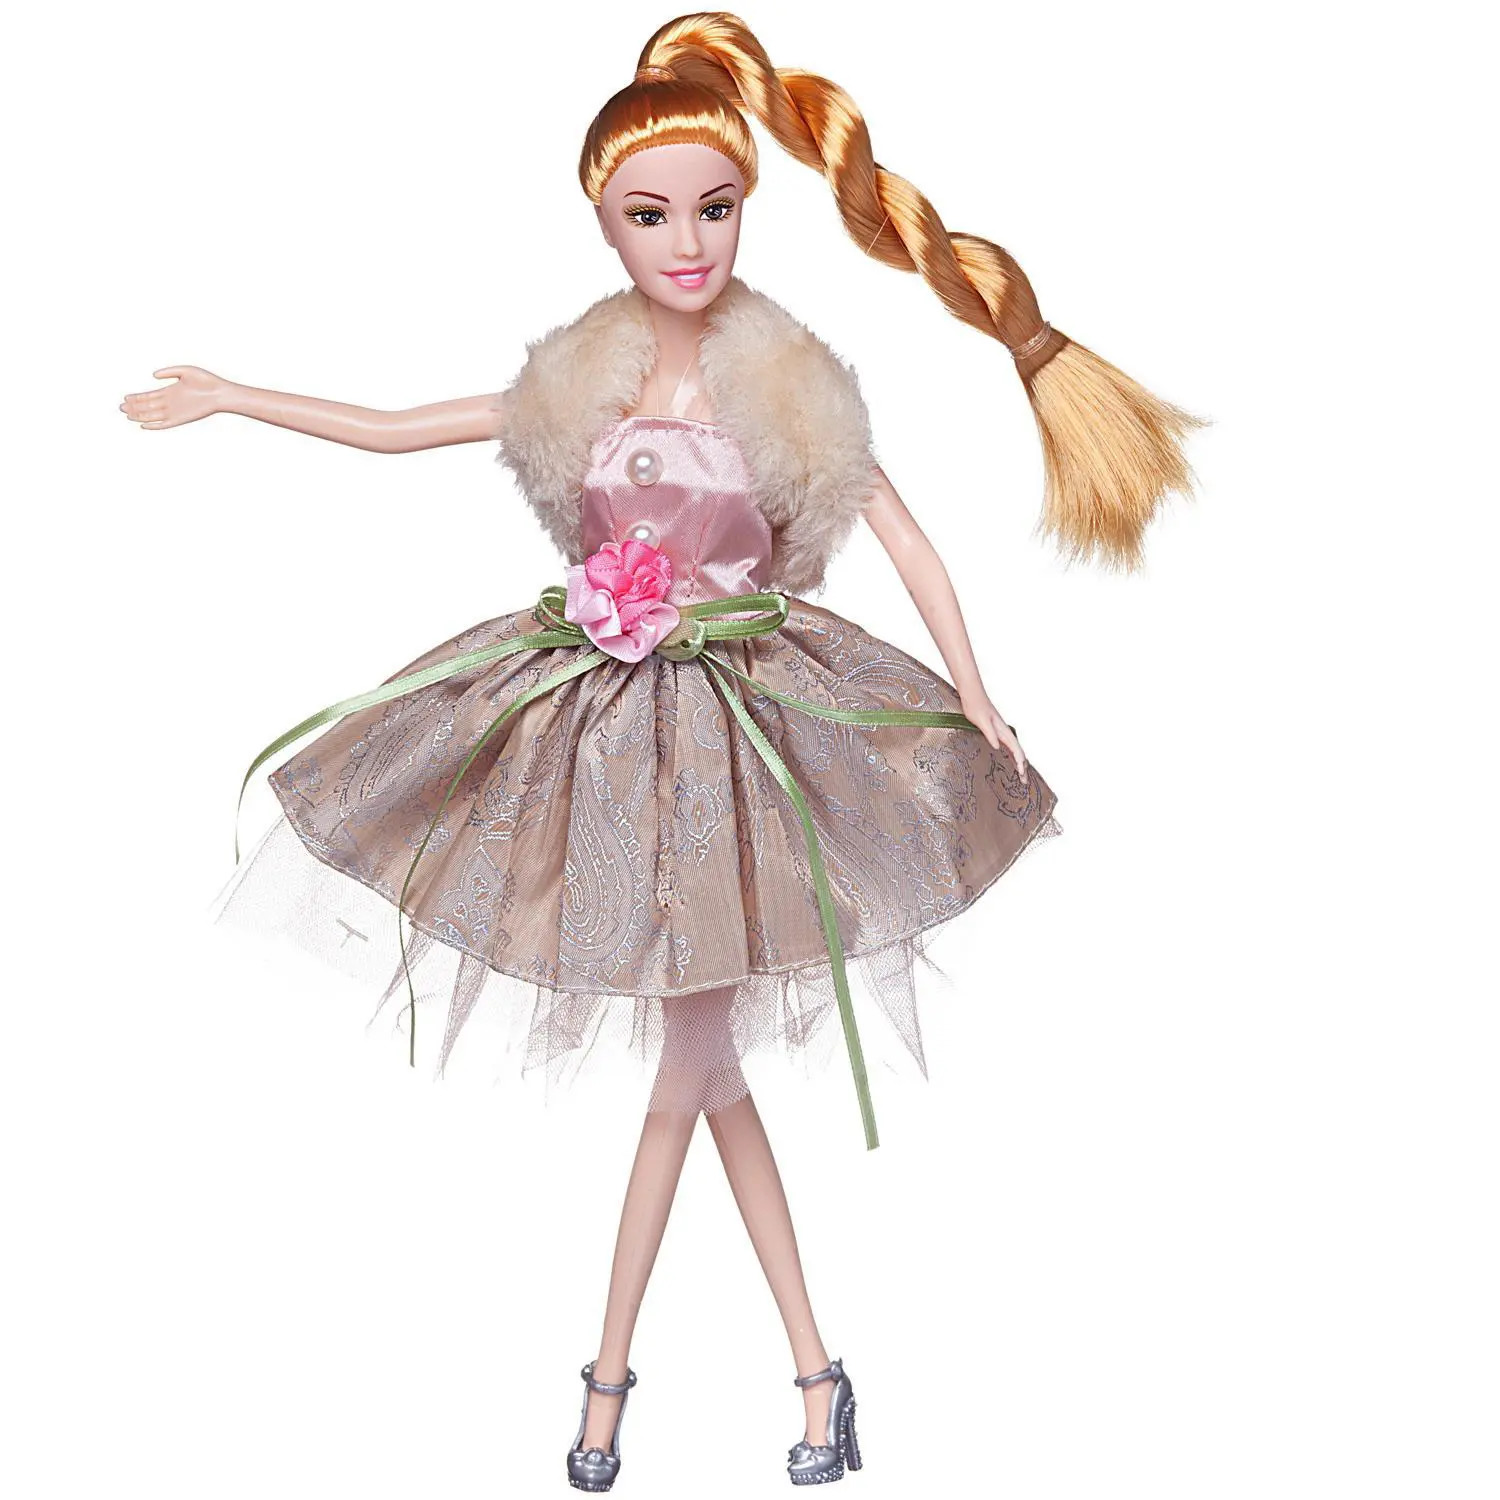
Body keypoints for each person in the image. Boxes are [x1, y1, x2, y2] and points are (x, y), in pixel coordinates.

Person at [122, 12, 1199, 1490]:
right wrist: (239, 396)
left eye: (715, 207)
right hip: (612, 741)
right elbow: (398, 425)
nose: (687, 243)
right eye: (650, 215)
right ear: (602, 221)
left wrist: (976, 690)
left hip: (751, 739)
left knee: (688, 1071)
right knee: (709, 1071)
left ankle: (618, 1388)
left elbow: (904, 537)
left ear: (749, 206)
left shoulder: (793, 391)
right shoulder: (578, 384)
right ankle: (810, 1380)